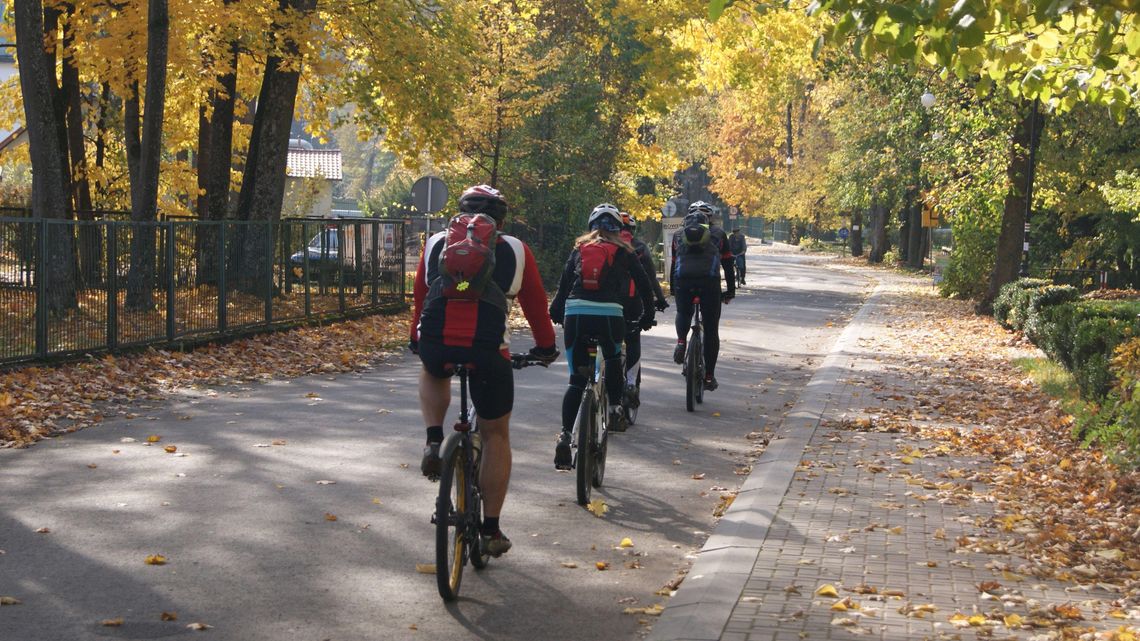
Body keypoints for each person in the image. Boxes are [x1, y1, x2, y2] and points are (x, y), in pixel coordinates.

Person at [409, 184, 558, 557]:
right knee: (496, 436)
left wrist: (416, 338)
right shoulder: (517, 250)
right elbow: (536, 307)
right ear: (501, 221)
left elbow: (421, 297)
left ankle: (433, 440)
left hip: (437, 341)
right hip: (489, 350)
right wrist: (545, 347)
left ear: (460, 212)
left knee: (432, 369)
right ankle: (490, 530)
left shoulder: (435, 243)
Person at [549, 204, 655, 466]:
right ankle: (616, 407)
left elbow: (564, 285)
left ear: (591, 227)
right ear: (618, 229)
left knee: (576, 380)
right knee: (613, 356)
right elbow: (644, 284)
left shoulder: (579, 249)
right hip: (610, 315)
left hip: (576, 314)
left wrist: (556, 312)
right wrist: (647, 315)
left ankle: (565, 436)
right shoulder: (625, 251)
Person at [670, 200, 735, 391]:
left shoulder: (678, 234)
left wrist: (673, 289)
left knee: (683, 312)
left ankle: (681, 342)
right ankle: (708, 377)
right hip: (709, 284)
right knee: (711, 329)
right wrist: (730, 291)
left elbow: (674, 264)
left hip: (683, 282)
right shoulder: (719, 234)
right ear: (710, 217)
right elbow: (728, 265)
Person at [618, 212, 669, 409]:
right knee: (633, 340)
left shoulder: (603, 245)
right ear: (632, 230)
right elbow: (649, 278)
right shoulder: (639, 247)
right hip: (632, 303)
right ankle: (631, 382)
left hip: (607, 302)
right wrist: (660, 300)